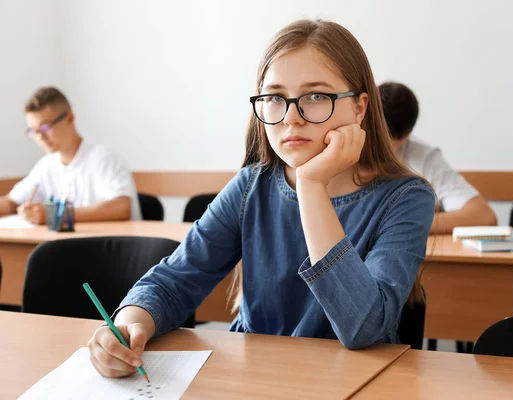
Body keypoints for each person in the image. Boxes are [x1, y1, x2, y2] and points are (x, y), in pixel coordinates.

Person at [87, 19, 436, 378]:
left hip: (352, 383)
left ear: (360, 107)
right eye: (274, 98)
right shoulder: (251, 186)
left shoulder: (406, 198)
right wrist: (130, 324)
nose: (292, 119)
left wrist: (311, 185)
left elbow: (363, 328)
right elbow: (173, 280)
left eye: (316, 97)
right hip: (256, 379)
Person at [0, 87, 141, 224]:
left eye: (45, 128)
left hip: (113, 245)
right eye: (33, 131)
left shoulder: (104, 158)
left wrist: (55, 215)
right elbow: (11, 202)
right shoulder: (46, 165)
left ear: (69, 118)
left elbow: (122, 207)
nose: (40, 137)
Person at [379, 82, 497, 234]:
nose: (382, 149)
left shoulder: (423, 157)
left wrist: (402, 224)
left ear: (408, 134)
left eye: (390, 143)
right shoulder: (345, 152)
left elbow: (483, 216)